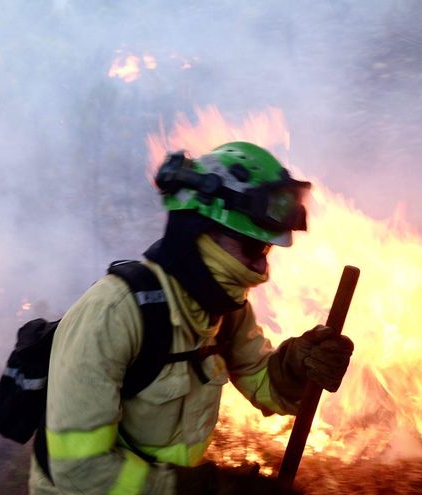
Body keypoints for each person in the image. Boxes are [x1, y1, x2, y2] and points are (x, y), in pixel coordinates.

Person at [29, 142, 354, 494]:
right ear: (199, 231)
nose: (263, 268)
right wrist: (205, 489)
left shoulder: (226, 310)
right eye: (253, 248)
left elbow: (261, 381)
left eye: (268, 250)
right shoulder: (112, 314)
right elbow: (80, 472)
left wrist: (296, 367)